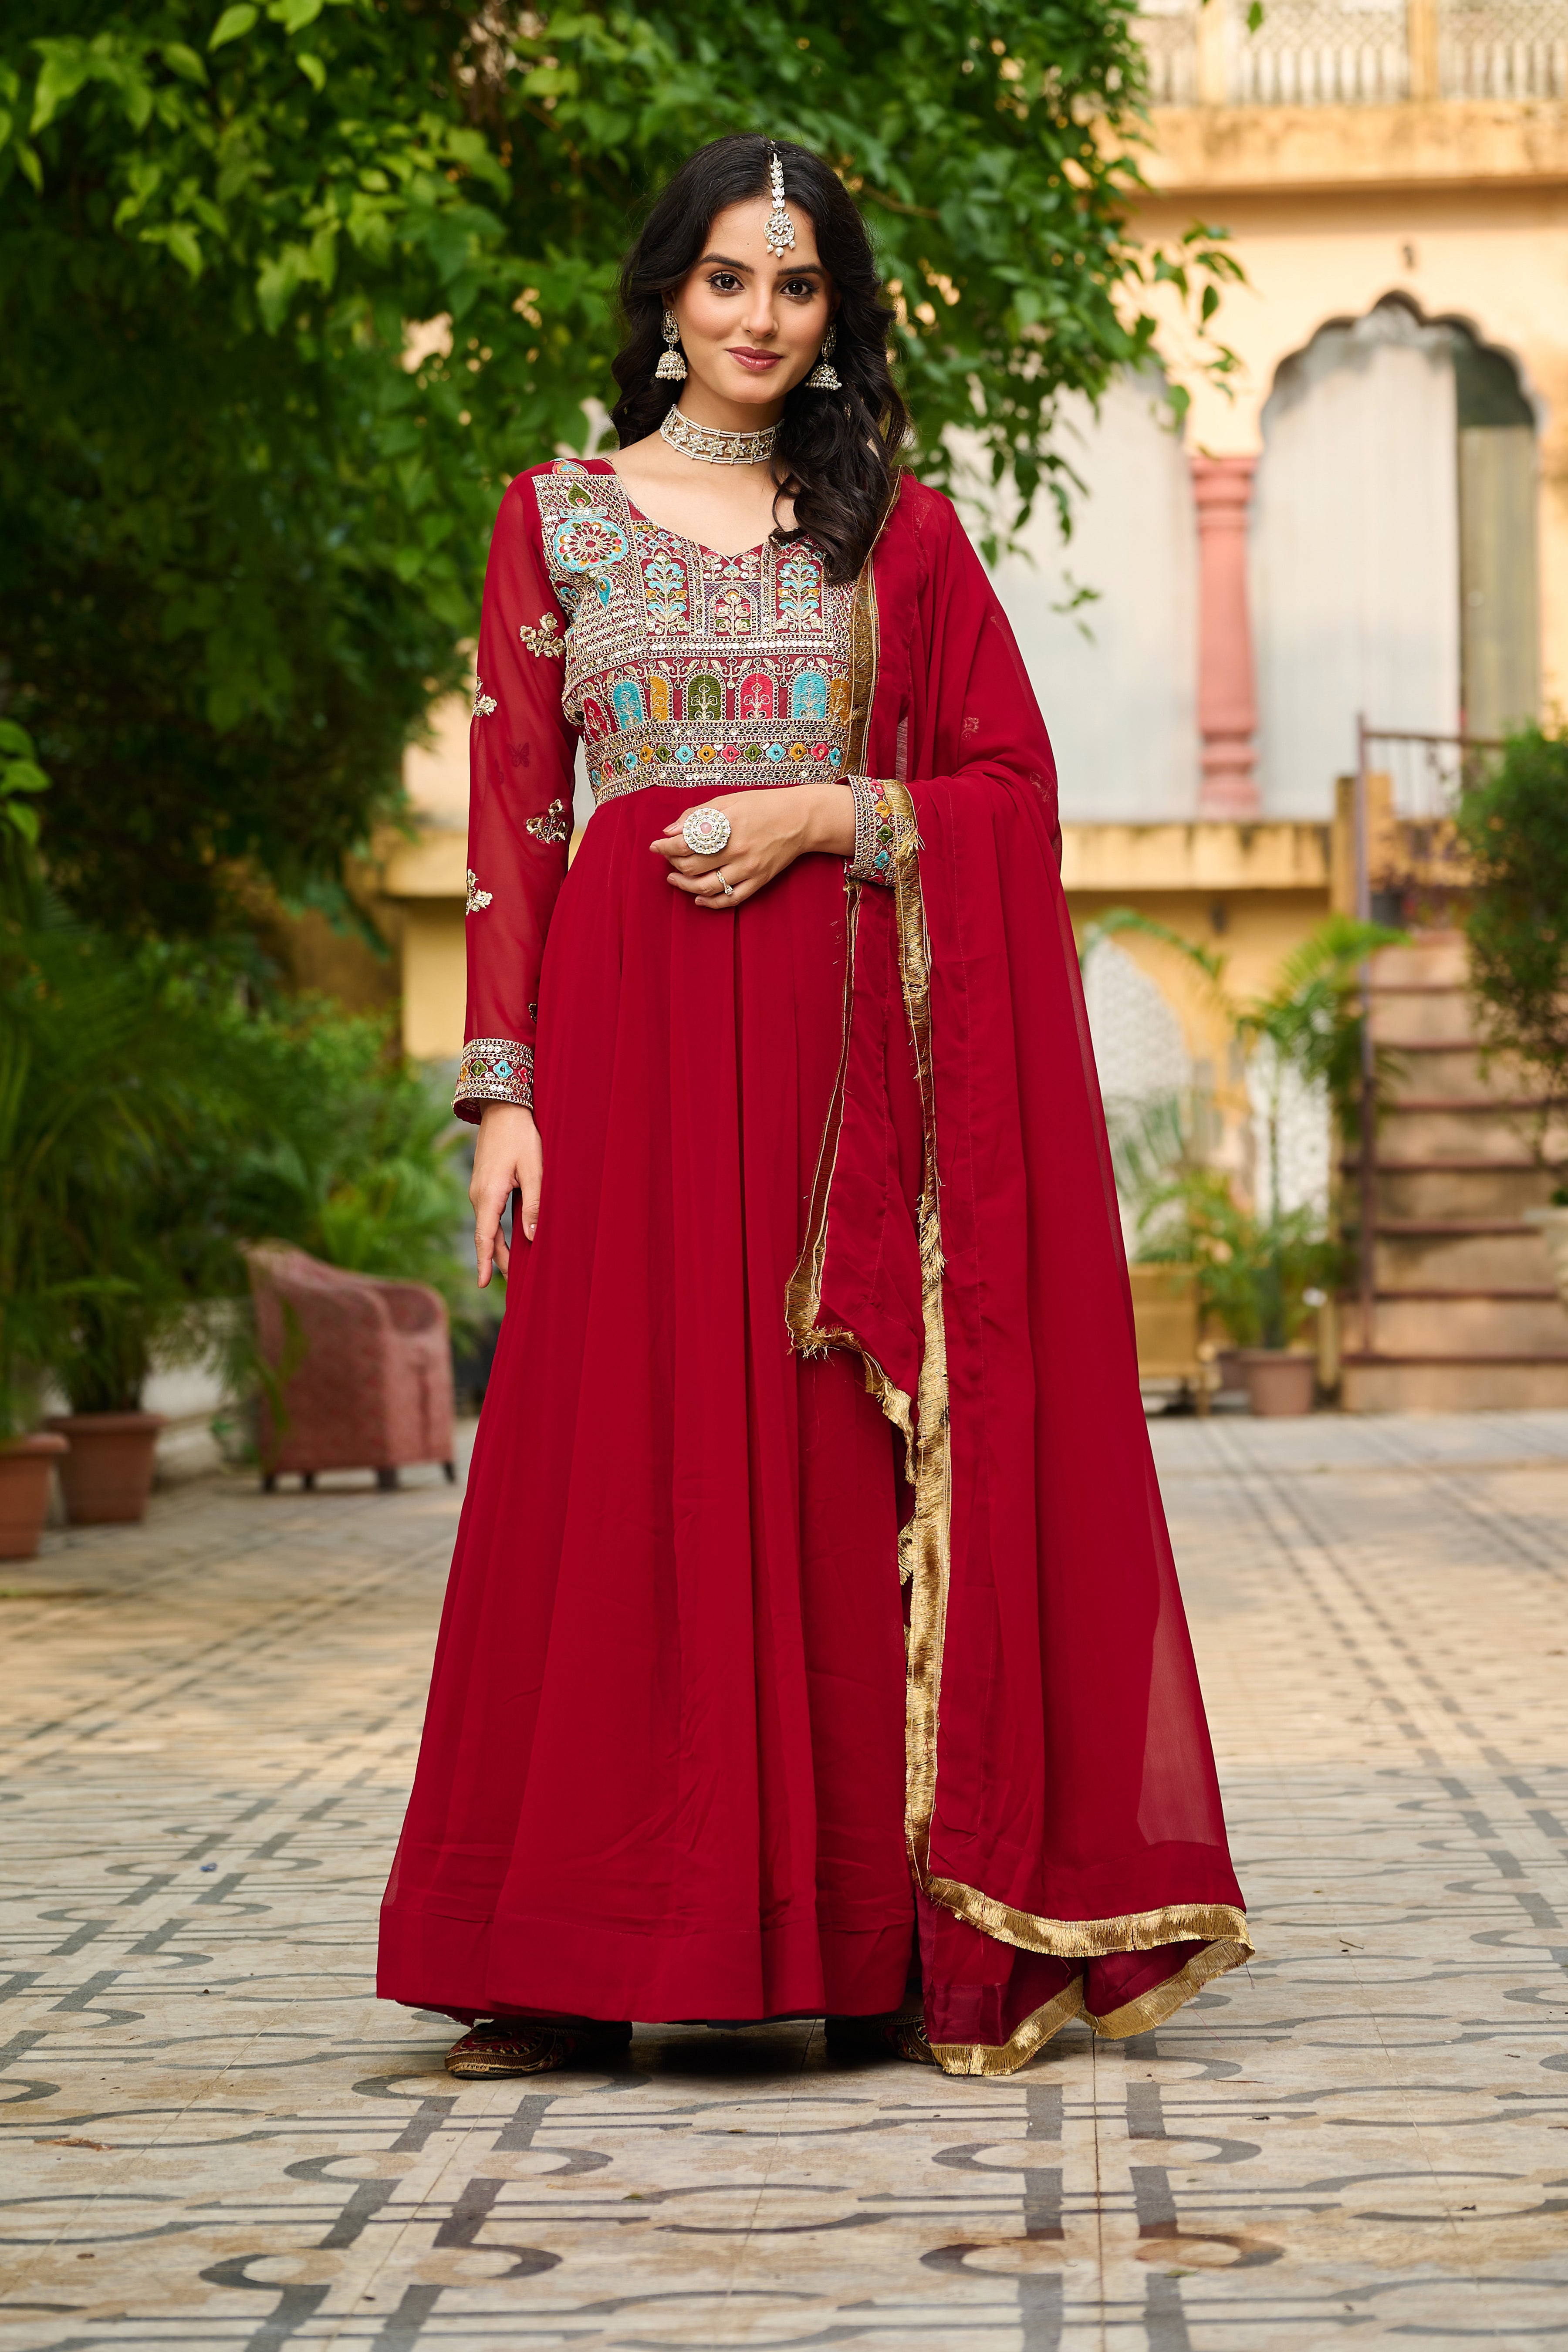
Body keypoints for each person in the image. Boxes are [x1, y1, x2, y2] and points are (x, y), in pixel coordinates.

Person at [377, 134, 1251, 2078]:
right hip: (624, 1055)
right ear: (667, 297)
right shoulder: (556, 516)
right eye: (727, 280)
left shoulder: (897, 539)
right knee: (615, 1461)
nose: (760, 318)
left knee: (822, 1464)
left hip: (841, 1075)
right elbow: (517, 817)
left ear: (835, 311)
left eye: (796, 285)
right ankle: (567, 1947)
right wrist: (504, 1098)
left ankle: (858, 1939)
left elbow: (1011, 794)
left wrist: (827, 814)